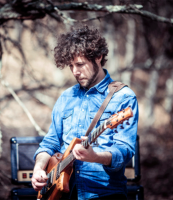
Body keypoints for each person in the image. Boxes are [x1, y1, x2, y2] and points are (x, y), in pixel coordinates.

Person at [31, 26, 139, 200]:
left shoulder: (123, 97)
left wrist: (95, 157)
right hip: (61, 193)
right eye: (71, 66)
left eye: (80, 64)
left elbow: (124, 150)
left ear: (98, 57)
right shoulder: (67, 97)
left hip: (103, 192)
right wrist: (38, 169)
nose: (75, 72)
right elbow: (50, 142)